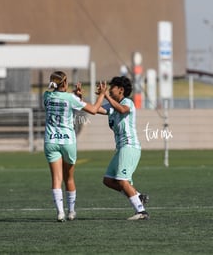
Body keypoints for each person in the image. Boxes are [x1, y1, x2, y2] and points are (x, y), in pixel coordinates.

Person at [44, 70, 106, 222]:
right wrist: (102, 95)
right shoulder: (70, 98)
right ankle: (71, 211)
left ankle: (60, 213)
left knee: (56, 179)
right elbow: (92, 110)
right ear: (64, 83)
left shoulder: (46, 96)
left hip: (51, 140)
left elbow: (61, 98)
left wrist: (75, 96)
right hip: (68, 142)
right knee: (69, 178)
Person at [97, 76, 150, 220]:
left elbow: (121, 109)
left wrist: (105, 95)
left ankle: (141, 212)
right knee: (108, 180)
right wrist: (79, 99)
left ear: (121, 90)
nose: (110, 89)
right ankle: (137, 195)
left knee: (121, 180)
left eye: (112, 86)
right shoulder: (111, 105)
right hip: (121, 148)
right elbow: (95, 109)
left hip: (129, 146)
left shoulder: (128, 102)